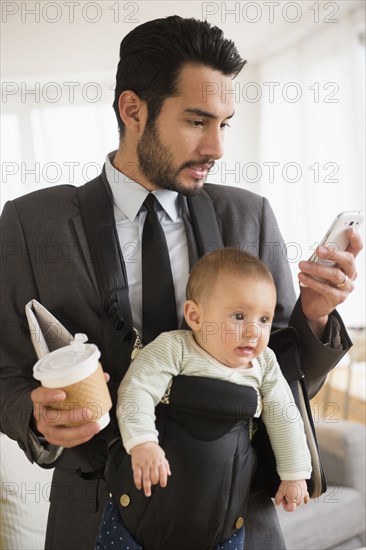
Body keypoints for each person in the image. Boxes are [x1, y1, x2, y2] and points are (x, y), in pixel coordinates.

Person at [0, 15, 362, 550]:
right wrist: (34, 416)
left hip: (240, 518)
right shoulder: (31, 225)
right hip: (94, 517)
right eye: (197, 121)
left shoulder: (251, 216)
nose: (217, 146)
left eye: (225, 123)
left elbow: (282, 379)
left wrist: (311, 316)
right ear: (133, 110)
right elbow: (4, 371)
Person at [96, 249, 312, 550]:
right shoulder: (175, 348)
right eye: (239, 316)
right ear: (195, 316)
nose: (253, 331)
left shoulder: (264, 364)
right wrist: (143, 442)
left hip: (222, 524)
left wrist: (294, 474)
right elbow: (137, 389)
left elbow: (284, 416)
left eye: (264, 319)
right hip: (142, 513)